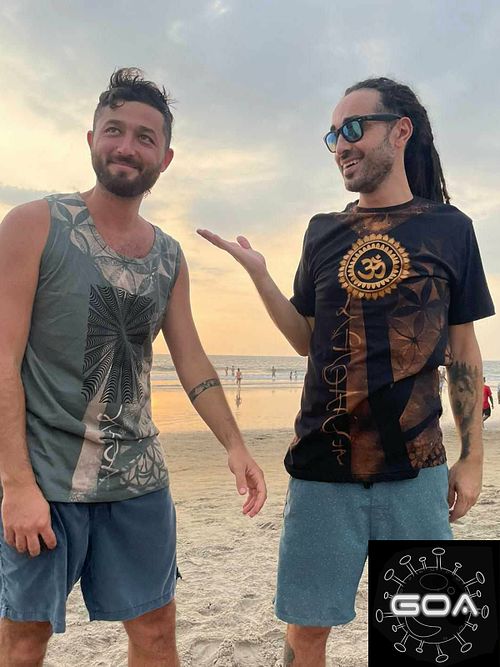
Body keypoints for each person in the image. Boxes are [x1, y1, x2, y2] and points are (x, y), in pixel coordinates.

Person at [198, 76, 494, 666]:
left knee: (427, 638)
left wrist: (473, 457)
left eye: (354, 128)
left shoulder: (450, 228)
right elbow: (307, 341)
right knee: (306, 633)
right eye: (333, 134)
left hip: (416, 472)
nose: (341, 144)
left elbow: (462, 349)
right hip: (320, 470)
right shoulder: (322, 231)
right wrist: (260, 276)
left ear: (401, 131)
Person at [0, 68, 266, 667]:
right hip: (46, 479)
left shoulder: (169, 256)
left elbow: (191, 360)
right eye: (114, 130)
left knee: (155, 633)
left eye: (145, 137)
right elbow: (2, 362)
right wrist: (16, 485)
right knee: (24, 638)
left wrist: (235, 445)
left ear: (164, 158)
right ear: (91, 139)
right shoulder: (33, 225)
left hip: (139, 481)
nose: (127, 146)